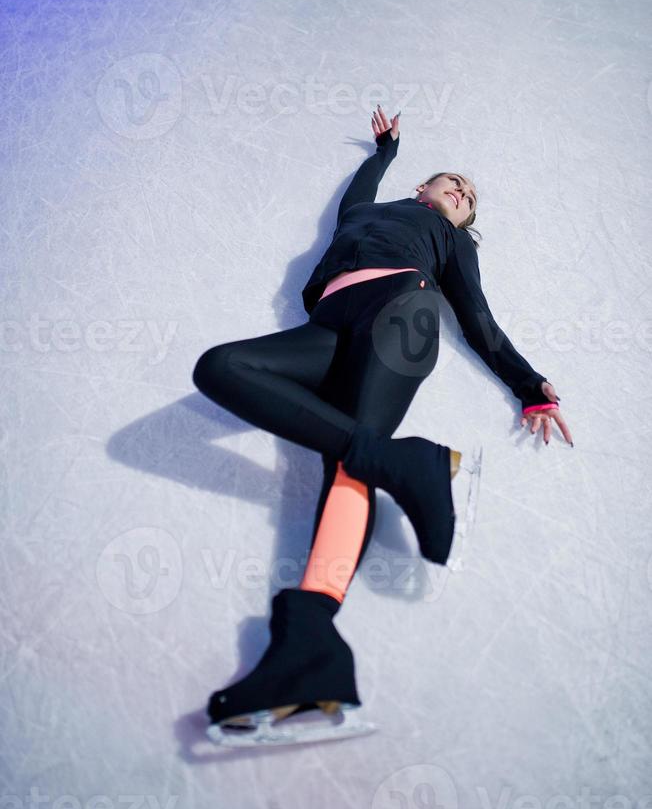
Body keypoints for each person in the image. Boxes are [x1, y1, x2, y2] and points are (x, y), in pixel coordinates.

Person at [192, 104, 573, 747]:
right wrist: (385, 152)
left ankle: (307, 652)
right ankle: (404, 461)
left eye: (469, 199)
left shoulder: (448, 239)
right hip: (328, 329)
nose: (462, 192)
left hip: (405, 310)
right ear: (421, 188)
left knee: (345, 470)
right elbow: (358, 192)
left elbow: (477, 319)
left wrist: (529, 385)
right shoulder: (366, 214)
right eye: (452, 182)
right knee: (222, 366)